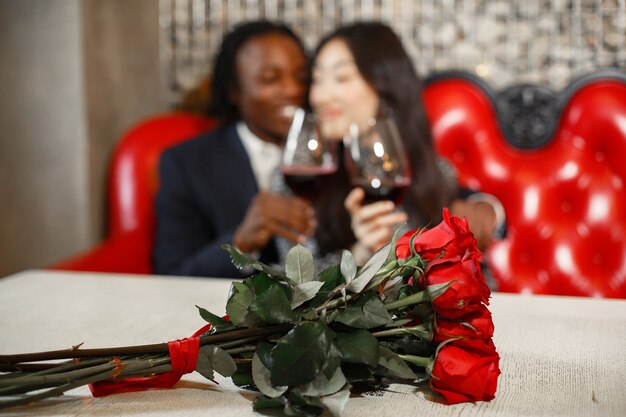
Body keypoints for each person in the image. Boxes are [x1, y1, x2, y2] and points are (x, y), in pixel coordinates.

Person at [305, 22, 502, 265]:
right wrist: (359, 257)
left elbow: (470, 266)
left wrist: (490, 211)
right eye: (317, 79)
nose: (320, 96)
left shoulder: (434, 172)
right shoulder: (303, 177)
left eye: (342, 78)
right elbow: (291, 285)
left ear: (385, 85)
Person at [153, 20, 316, 277]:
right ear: (234, 92)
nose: (293, 90)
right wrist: (241, 242)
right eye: (270, 79)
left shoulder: (330, 151)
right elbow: (172, 275)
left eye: (301, 77)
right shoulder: (186, 163)